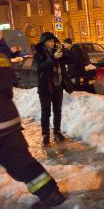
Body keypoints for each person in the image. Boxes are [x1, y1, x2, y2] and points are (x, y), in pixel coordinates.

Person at [0, 52, 66, 208]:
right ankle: (50, 193)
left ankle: (50, 195)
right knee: (20, 164)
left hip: (3, 124)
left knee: (20, 165)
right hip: (7, 119)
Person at [33, 32, 66, 146]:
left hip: (57, 86)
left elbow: (71, 60)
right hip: (45, 88)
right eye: (49, 41)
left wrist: (63, 51)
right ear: (44, 42)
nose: (52, 43)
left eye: (53, 41)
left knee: (58, 111)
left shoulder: (58, 52)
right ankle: (45, 136)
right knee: (46, 112)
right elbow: (39, 67)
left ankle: (57, 132)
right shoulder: (38, 54)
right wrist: (53, 58)